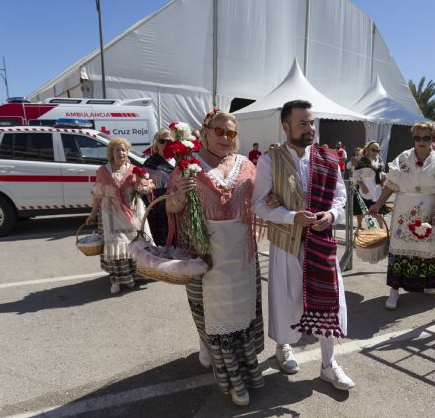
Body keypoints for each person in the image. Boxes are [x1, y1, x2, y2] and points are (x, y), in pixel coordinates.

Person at [252, 100, 355, 391]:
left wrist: (331, 215)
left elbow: (340, 195)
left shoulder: (327, 157)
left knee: (330, 301)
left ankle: (328, 363)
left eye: (312, 123)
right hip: (287, 242)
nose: (310, 129)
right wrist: (290, 216)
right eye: (303, 124)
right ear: (286, 127)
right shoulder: (269, 161)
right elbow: (259, 204)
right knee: (285, 299)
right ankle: (283, 347)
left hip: (321, 242)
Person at [165, 111, 264, 407]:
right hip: (204, 253)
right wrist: (180, 197)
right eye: (219, 131)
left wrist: (271, 200)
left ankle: (248, 368)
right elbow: (169, 207)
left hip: (243, 255)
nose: (225, 138)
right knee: (212, 316)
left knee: (243, 313)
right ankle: (231, 378)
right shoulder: (187, 166)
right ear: (204, 131)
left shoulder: (246, 165)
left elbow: (261, 199)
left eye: (231, 133)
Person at [369, 121, 435, 310]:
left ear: (433, 139)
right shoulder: (403, 158)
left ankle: (429, 283)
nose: (421, 142)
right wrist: (377, 204)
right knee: (400, 248)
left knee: (429, 246)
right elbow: (391, 185)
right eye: (417, 138)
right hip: (404, 211)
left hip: (429, 211)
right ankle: (393, 292)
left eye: (425, 138)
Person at [86, 138, 153, 294]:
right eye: (117, 150)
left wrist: (142, 187)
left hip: (133, 214)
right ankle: (117, 280)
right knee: (116, 247)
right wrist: (92, 213)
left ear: (128, 152)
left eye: (124, 150)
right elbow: (97, 195)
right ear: (111, 152)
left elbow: (147, 188)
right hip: (112, 215)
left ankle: (133, 277)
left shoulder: (135, 170)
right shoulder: (103, 171)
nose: (121, 153)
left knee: (136, 245)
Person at [142, 129, 176, 246]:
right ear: (156, 144)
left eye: (169, 141)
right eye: (162, 141)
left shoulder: (180, 159)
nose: (166, 144)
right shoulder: (150, 163)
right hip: (160, 211)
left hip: (180, 207)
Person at [353, 141, 388, 227]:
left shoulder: (379, 160)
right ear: (368, 150)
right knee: (361, 209)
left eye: (378, 150)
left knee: (379, 209)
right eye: (373, 150)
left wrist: (383, 179)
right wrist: (362, 185)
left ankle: (382, 229)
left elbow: (382, 172)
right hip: (365, 188)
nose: (376, 152)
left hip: (377, 188)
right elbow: (356, 174)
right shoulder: (362, 161)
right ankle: (359, 226)